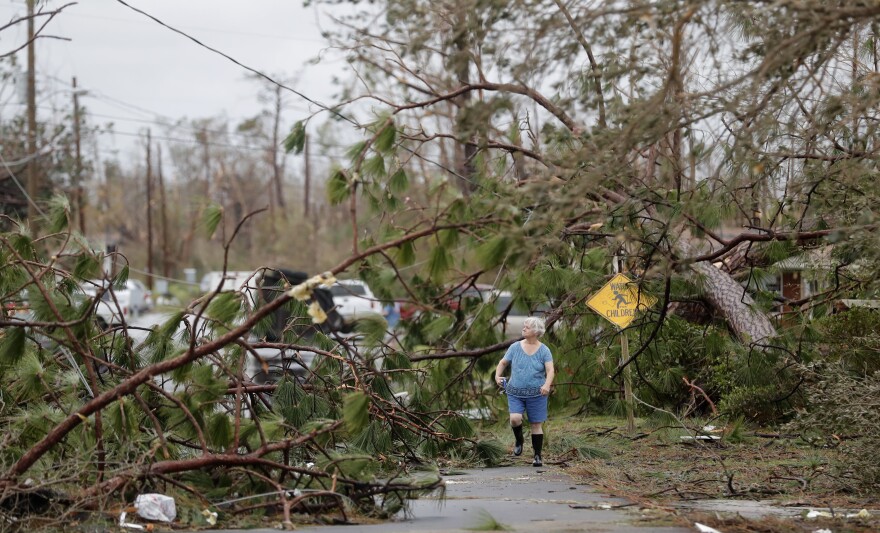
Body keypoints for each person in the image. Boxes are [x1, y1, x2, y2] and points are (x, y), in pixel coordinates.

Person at [494, 316, 555, 467]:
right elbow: (503, 362)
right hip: (515, 392)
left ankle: (537, 456)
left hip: (537, 394)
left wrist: (547, 385)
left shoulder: (544, 350)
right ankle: (519, 440)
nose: (523, 329)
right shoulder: (515, 347)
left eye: (527, 327)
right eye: (524, 326)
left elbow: (550, 370)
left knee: (536, 425)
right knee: (515, 419)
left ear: (535, 331)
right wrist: (497, 375)